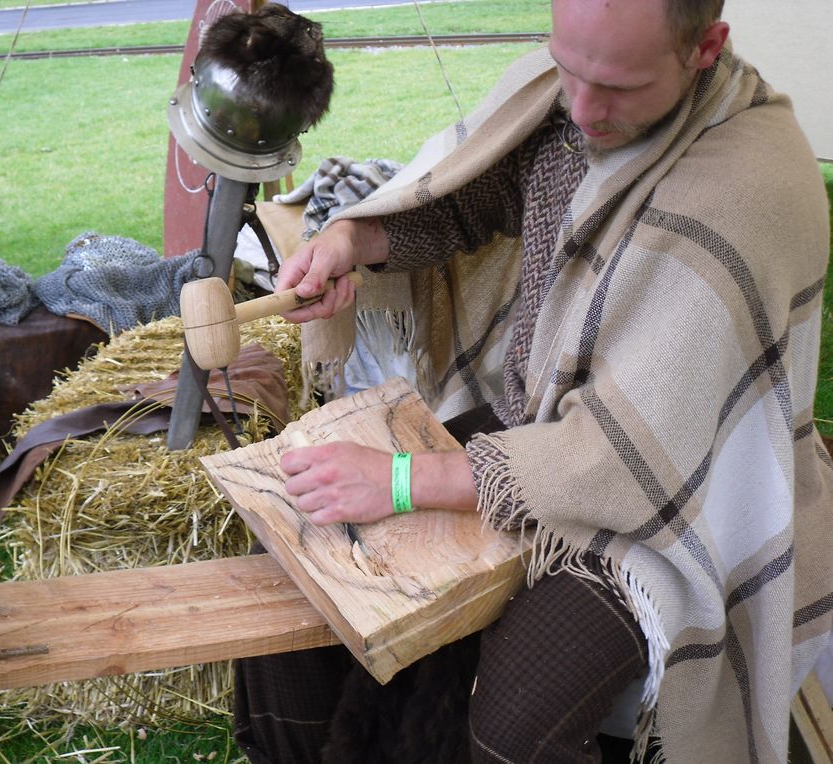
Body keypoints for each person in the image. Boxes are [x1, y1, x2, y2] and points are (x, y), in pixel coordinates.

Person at [232, 0, 833, 762]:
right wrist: (355, 239)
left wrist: (404, 482)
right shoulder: (565, 101)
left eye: (616, 86)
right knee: (294, 555)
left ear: (705, 48)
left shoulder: (752, 192)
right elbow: (474, 202)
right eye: (568, 65)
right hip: (543, 433)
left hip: (675, 510)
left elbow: (624, 460)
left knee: (517, 726)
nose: (581, 108)